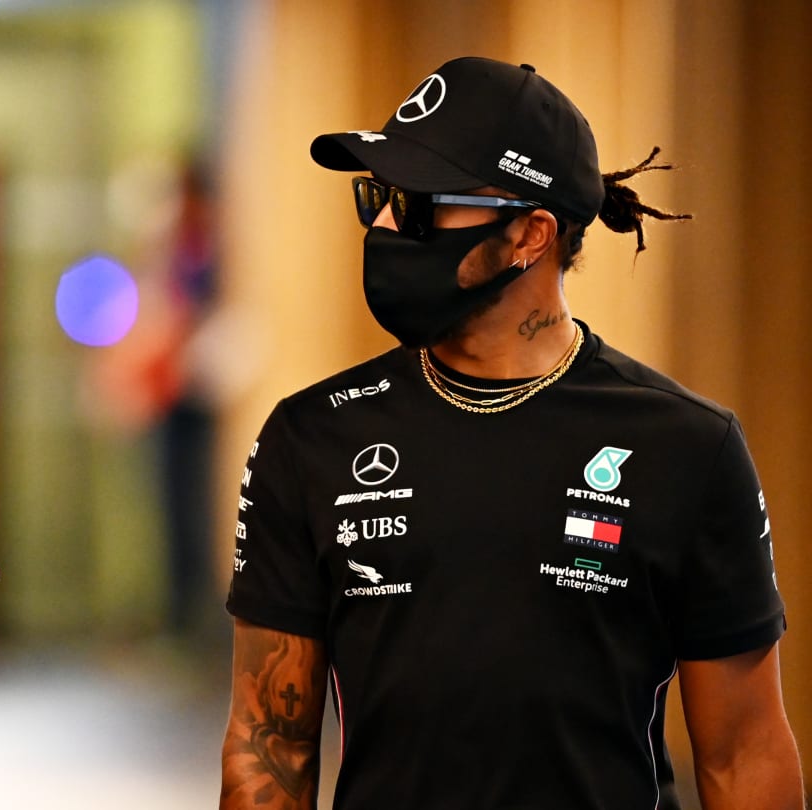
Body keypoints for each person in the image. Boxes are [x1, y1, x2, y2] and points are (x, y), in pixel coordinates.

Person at [220, 56, 802, 809]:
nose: (389, 225)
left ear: (532, 233)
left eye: (422, 204)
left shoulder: (686, 446)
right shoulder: (312, 439)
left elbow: (744, 753)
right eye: (381, 198)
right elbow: (269, 746)